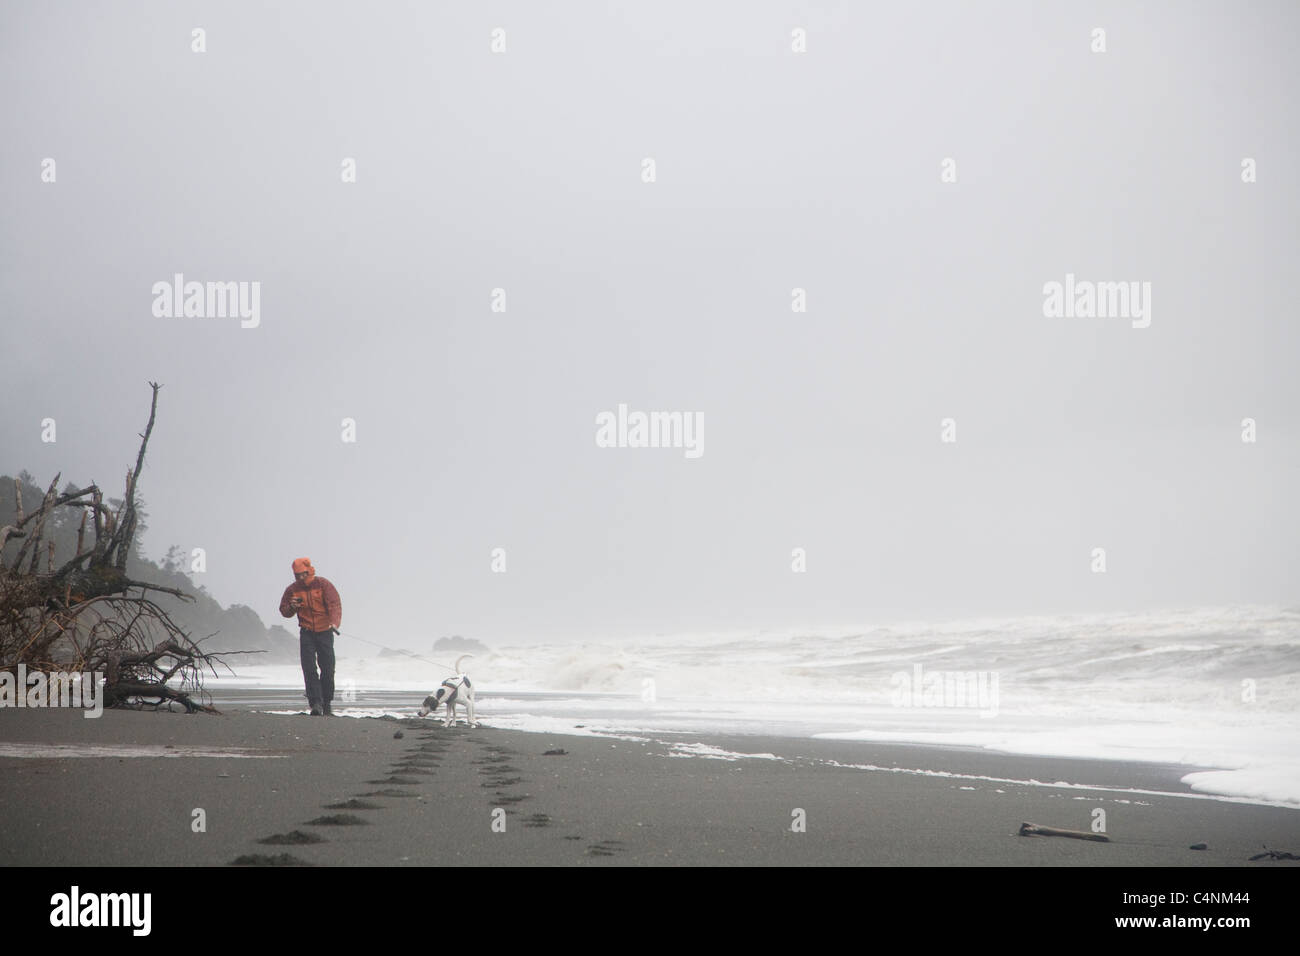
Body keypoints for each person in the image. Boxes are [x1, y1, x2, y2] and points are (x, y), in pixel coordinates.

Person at [278, 557, 342, 716]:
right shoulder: (292, 589)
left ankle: (326, 703)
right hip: (306, 632)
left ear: (309, 570)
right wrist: (292, 607)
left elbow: (334, 604)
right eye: (297, 575)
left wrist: (334, 623)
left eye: (303, 574)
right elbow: (284, 611)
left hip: (325, 631)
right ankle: (315, 703)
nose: (300, 578)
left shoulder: (323, 584)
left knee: (328, 668)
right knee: (309, 668)